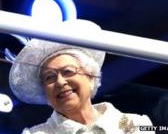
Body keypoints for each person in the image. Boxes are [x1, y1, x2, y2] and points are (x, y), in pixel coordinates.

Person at [9, 19, 155, 134]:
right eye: (49, 78)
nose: (60, 82)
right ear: (44, 93)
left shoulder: (135, 125)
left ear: (90, 77)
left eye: (68, 72)